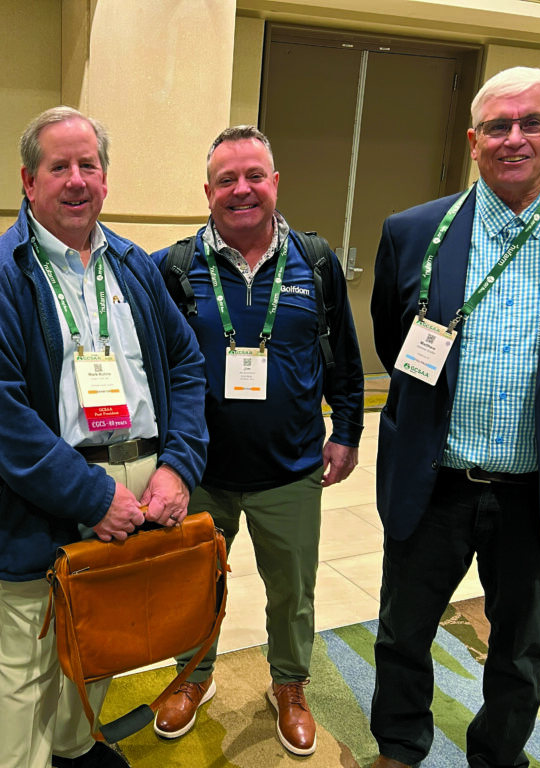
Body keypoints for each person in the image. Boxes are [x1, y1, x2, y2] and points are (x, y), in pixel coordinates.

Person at [369, 66, 540, 768]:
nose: (515, 138)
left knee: (521, 646)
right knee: (402, 633)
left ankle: (496, 755)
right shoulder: (414, 230)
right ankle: (399, 746)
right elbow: (398, 344)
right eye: (498, 126)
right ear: (474, 139)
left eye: (532, 122)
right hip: (436, 480)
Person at [0, 106, 208, 768]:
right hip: (44, 497)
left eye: (87, 165)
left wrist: (178, 464)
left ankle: (74, 745)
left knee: (99, 637)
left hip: (141, 483)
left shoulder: (132, 265)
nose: (75, 180)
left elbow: (184, 363)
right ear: (28, 181)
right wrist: (91, 496)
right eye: (58, 166)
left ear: (106, 178)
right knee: (25, 666)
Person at [149, 125, 364, 755]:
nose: (241, 190)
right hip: (201, 470)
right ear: (207, 191)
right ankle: (194, 676)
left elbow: (344, 360)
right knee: (194, 587)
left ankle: (289, 686)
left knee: (292, 592)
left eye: (253, 176)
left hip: (291, 469)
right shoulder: (176, 268)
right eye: (226, 180)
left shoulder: (315, 262)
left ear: (275, 183)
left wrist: (346, 430)